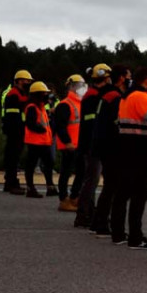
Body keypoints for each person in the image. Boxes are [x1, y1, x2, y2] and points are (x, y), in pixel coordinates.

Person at [110, 66, 147, 248]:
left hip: (126, 149)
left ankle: (118, 233)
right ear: (146, 80)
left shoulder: (126, 97)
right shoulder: (141, 97)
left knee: (122, 194)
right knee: (139, 196)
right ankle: (135, 237)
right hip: (141, 152)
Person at [89, 65, 132, 236]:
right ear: (122, 78)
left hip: (103, 145)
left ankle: (97, 222)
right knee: (112, 187)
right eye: (128, 75)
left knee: (109, 186)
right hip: (111, 147)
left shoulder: (107, 95)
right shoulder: (115, 97)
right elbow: (117, 124)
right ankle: (101, 224)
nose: (130, 79)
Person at [74, 64, 113, 228]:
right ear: (105, 78)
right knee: (91, 180)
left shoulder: (92, 94)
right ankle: (83, 214)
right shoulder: (93, 96)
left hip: (90, 145)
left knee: (91, 180)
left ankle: (89, 212)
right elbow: (92, 124)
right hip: (91, 146)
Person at [54, 74, 87, 211]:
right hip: (69, 145)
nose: (82, 88)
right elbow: (60, 126)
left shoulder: (81, 104)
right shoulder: (65, 104)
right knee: (66, 172)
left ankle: (74, 197)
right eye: (79, 85)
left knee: (81, 172)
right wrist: (67, 142)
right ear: (71, 87)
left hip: (79, 145)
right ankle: (63, 199)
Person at [1, 70, 33, 194]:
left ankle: (11, 182)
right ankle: (10, 183)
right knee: (12, 157)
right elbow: (14, 115)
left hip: (18, 130)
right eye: (27, 80)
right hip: (15, 130)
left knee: (14, 157)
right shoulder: (14, 94)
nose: (29, 83)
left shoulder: (20, 93)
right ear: (19, 80)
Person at [22, 81, 56, 198]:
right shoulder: (32, 107)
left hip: (43, 141)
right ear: (37, 94)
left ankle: (50, 187)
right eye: (44, 94)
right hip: (35, 142)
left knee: (49, 163)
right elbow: (30, 123)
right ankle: (31, 188)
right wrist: (39, 129)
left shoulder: (40, 107)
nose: (46, 96)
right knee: (31, 165)